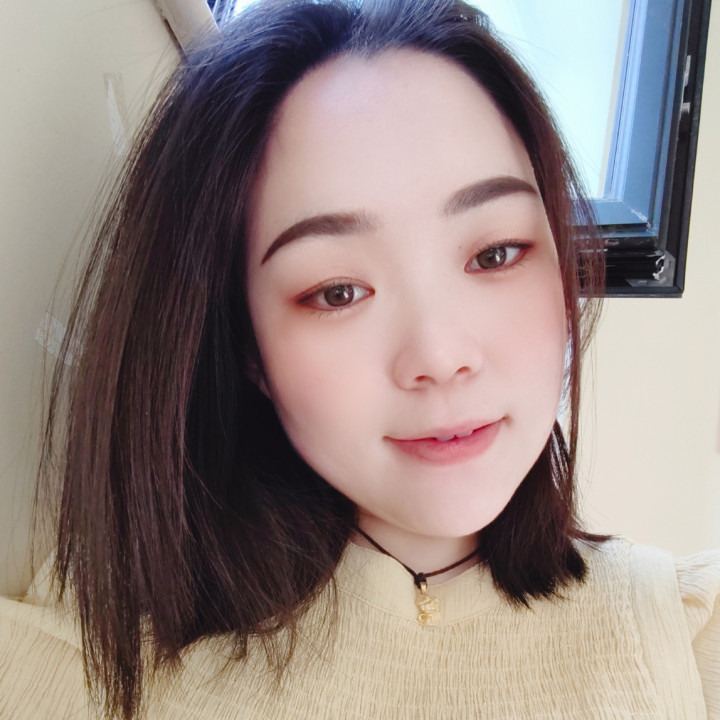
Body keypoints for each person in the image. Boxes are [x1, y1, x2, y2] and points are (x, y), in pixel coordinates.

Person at [1, 0, 718, 718]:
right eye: (337, 292)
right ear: (246, 346)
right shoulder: (90, 671)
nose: (440, 356)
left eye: (496, 253)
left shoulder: (688, 644)